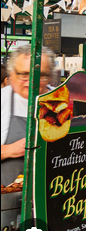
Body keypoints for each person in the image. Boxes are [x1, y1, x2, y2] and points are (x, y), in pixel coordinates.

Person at [2, 46, 56, 186]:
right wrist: (9, 150)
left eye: (41, 75)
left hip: (51, 198)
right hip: (6, 202)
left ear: (50, 77)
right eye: (24, 75)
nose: (31, 81)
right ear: (11, 75)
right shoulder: (2, 100)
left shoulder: (62, 103)